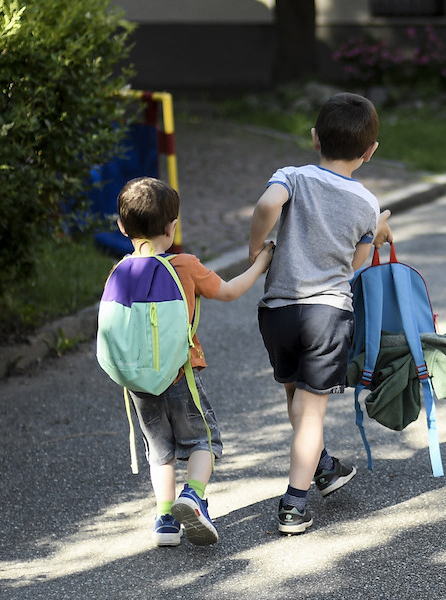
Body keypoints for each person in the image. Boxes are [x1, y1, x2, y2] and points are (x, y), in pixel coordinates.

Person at [248, 92, 393, 535]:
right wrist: (378, 228)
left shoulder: (292, 176)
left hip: (278, 312)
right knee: (312, 412)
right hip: (326, 314)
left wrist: (257, 250)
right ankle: (293, 503)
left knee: (296, 400)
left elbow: (267, 206)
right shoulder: (367, 204)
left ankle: (325, 466)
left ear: (314, 139)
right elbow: (358, 264)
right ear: (370, 152)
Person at [114, 177, 275, 547]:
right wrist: (262, 262)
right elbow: (231, 291)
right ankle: (195, 495)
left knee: (160, 451)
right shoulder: (184, 265)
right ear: (172, 228)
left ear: (122, 228)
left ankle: (165, 521)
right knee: (204, 440)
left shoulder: (120, 272)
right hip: (180, 374)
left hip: (138, 381)